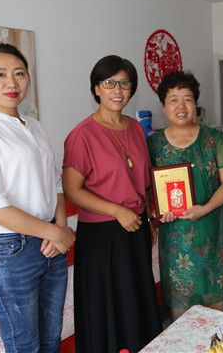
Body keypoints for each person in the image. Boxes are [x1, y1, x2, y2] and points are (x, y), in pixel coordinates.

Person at [0, 43, 75, 352]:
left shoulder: (34, 125)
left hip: (50, 244)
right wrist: (56, 233)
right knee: (25, 347)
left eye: (19, 73)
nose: (12, 82)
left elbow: (55, 182)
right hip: (11, 251)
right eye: (0, 74)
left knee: (51, 341)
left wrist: (60, 228)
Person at [62, 55, 162, 352]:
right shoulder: (82, 135)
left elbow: (143, 182)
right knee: (110, 308)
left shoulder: (136, 129)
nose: (117, 90)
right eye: (109, 83)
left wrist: (149, 219)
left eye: (124, 83)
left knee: (137, 301)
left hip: (136, 227)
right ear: (96, 89)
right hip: (102, 236)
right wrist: (117, 210)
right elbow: (71, 190)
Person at [147, 70, 223, 322]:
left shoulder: (215, 139)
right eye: (173, 99)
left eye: (187, 99)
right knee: (180, 306)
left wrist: (205, 208)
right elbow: (148, 188)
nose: (181, 106)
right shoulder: (153, 144)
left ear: (195, 103)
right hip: (175, 239)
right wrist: (156, 210)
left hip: (211, 231)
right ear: (164, 106)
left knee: (216, 306)